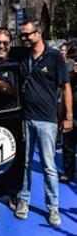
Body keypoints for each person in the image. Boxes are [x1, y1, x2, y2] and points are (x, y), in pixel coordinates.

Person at [12, 20, 72, 226]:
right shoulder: (22, 55)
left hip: (47, 120)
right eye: (22, 35)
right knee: (26, 163)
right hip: (26, 119)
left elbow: (66, 88)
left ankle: (53, 208)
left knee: (48, 166)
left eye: (27, 35)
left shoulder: (55, 57)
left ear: (39, 33)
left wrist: (69, 117)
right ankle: (24, 201)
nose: (24, 38)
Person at [60, 45, 77, 183]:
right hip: (71, 112)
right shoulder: (67, 68)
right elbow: (63, 88)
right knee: (68, 144)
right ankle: (68, 171)